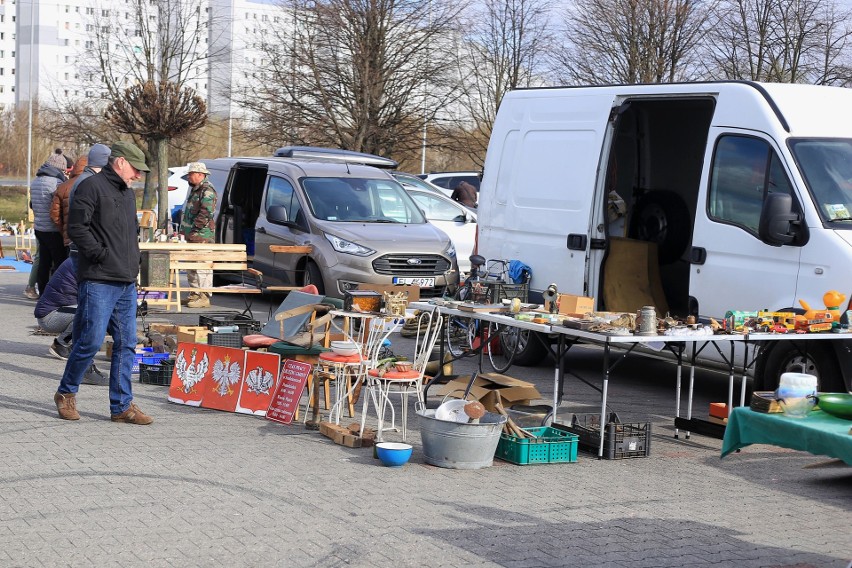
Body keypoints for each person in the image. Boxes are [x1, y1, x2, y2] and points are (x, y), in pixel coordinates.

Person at [53, 141, 153, 424]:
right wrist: (100, 254)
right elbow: (76, 229)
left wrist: (134, 262)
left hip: (125, 280)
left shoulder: (128, 193)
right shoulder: (90, 186)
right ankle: (66, 393)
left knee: (127, 343)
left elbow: (129, 233)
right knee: (90, 340)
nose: (137, 176)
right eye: (135, 169)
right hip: (98, 278)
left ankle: (122, 406)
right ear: (120, 162)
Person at [36, 257, 107, 385]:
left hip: (54, 311)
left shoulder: (78, 258)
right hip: (50, 316)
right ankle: (62, 345)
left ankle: (63, 345)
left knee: (93, 311)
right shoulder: (83, 265)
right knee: (90, 313)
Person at [179, 161, 218, 309]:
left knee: (202, 266)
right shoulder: (196, 189)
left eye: (191, 174)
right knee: (192, 266)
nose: (189, 177)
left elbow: (206, 213)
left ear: (200, 175)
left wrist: (195, 229)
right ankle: (194, 294)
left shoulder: (207, 190)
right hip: (192, 236)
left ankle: (204, 296)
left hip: (202, 237)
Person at [30, 159, 68, 298]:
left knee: (44, 262)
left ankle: (42, 291)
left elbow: (32, 205)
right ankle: (55, 294)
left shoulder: (35, 181)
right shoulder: (56, 183)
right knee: (59, 262)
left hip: (39, 228)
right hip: (53, 228)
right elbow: (59, 206)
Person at [51, 156, 87, 255]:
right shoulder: (93, 184)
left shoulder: (63, 186)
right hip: (88, 238)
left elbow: (55, 215)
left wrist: (64, 232)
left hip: (69, 238)